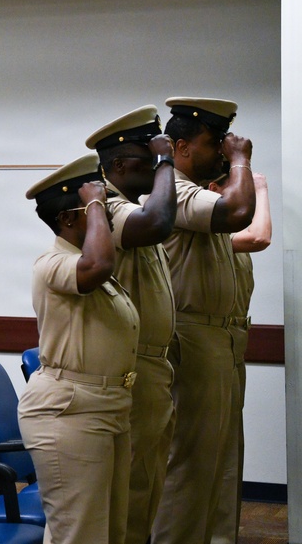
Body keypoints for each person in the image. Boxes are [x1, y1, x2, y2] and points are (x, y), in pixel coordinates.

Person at [19, 153, 139, 544]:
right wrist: (97, 203)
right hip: (69, 413)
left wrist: (95, 206)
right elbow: (99, 263)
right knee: (81, 534)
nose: (105, 218)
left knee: (110, 531)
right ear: (70, 219)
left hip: (107, 406)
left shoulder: (88, 266)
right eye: (94, 211)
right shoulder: (53, 263)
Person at [151, 97, 255, 543]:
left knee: (223, 461)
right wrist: (242, 162)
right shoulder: (174, 191)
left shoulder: (198, 190)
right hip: (191, 338)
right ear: (180, 148)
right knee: (191, 464)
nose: (222, 151)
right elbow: (239, 213)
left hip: (222, 338)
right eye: (214, 143)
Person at [85, 105, 177, 544]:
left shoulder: (129, 207)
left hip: (153, 368)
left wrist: (159, 164)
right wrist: (169, 163)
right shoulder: (106, 208)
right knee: (132, 492)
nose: (157, 162)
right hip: (130, 371)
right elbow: (157, 222)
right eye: (149, 156)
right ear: (119, 165)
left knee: (148, 486)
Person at [210, 170, 271, 544]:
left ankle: (221, 536)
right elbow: (260, 235)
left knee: (230, 453)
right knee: (202, 458)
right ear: (215, 190)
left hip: (232, 341)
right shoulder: (207, 230)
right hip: (206, 344)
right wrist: (260, 188)